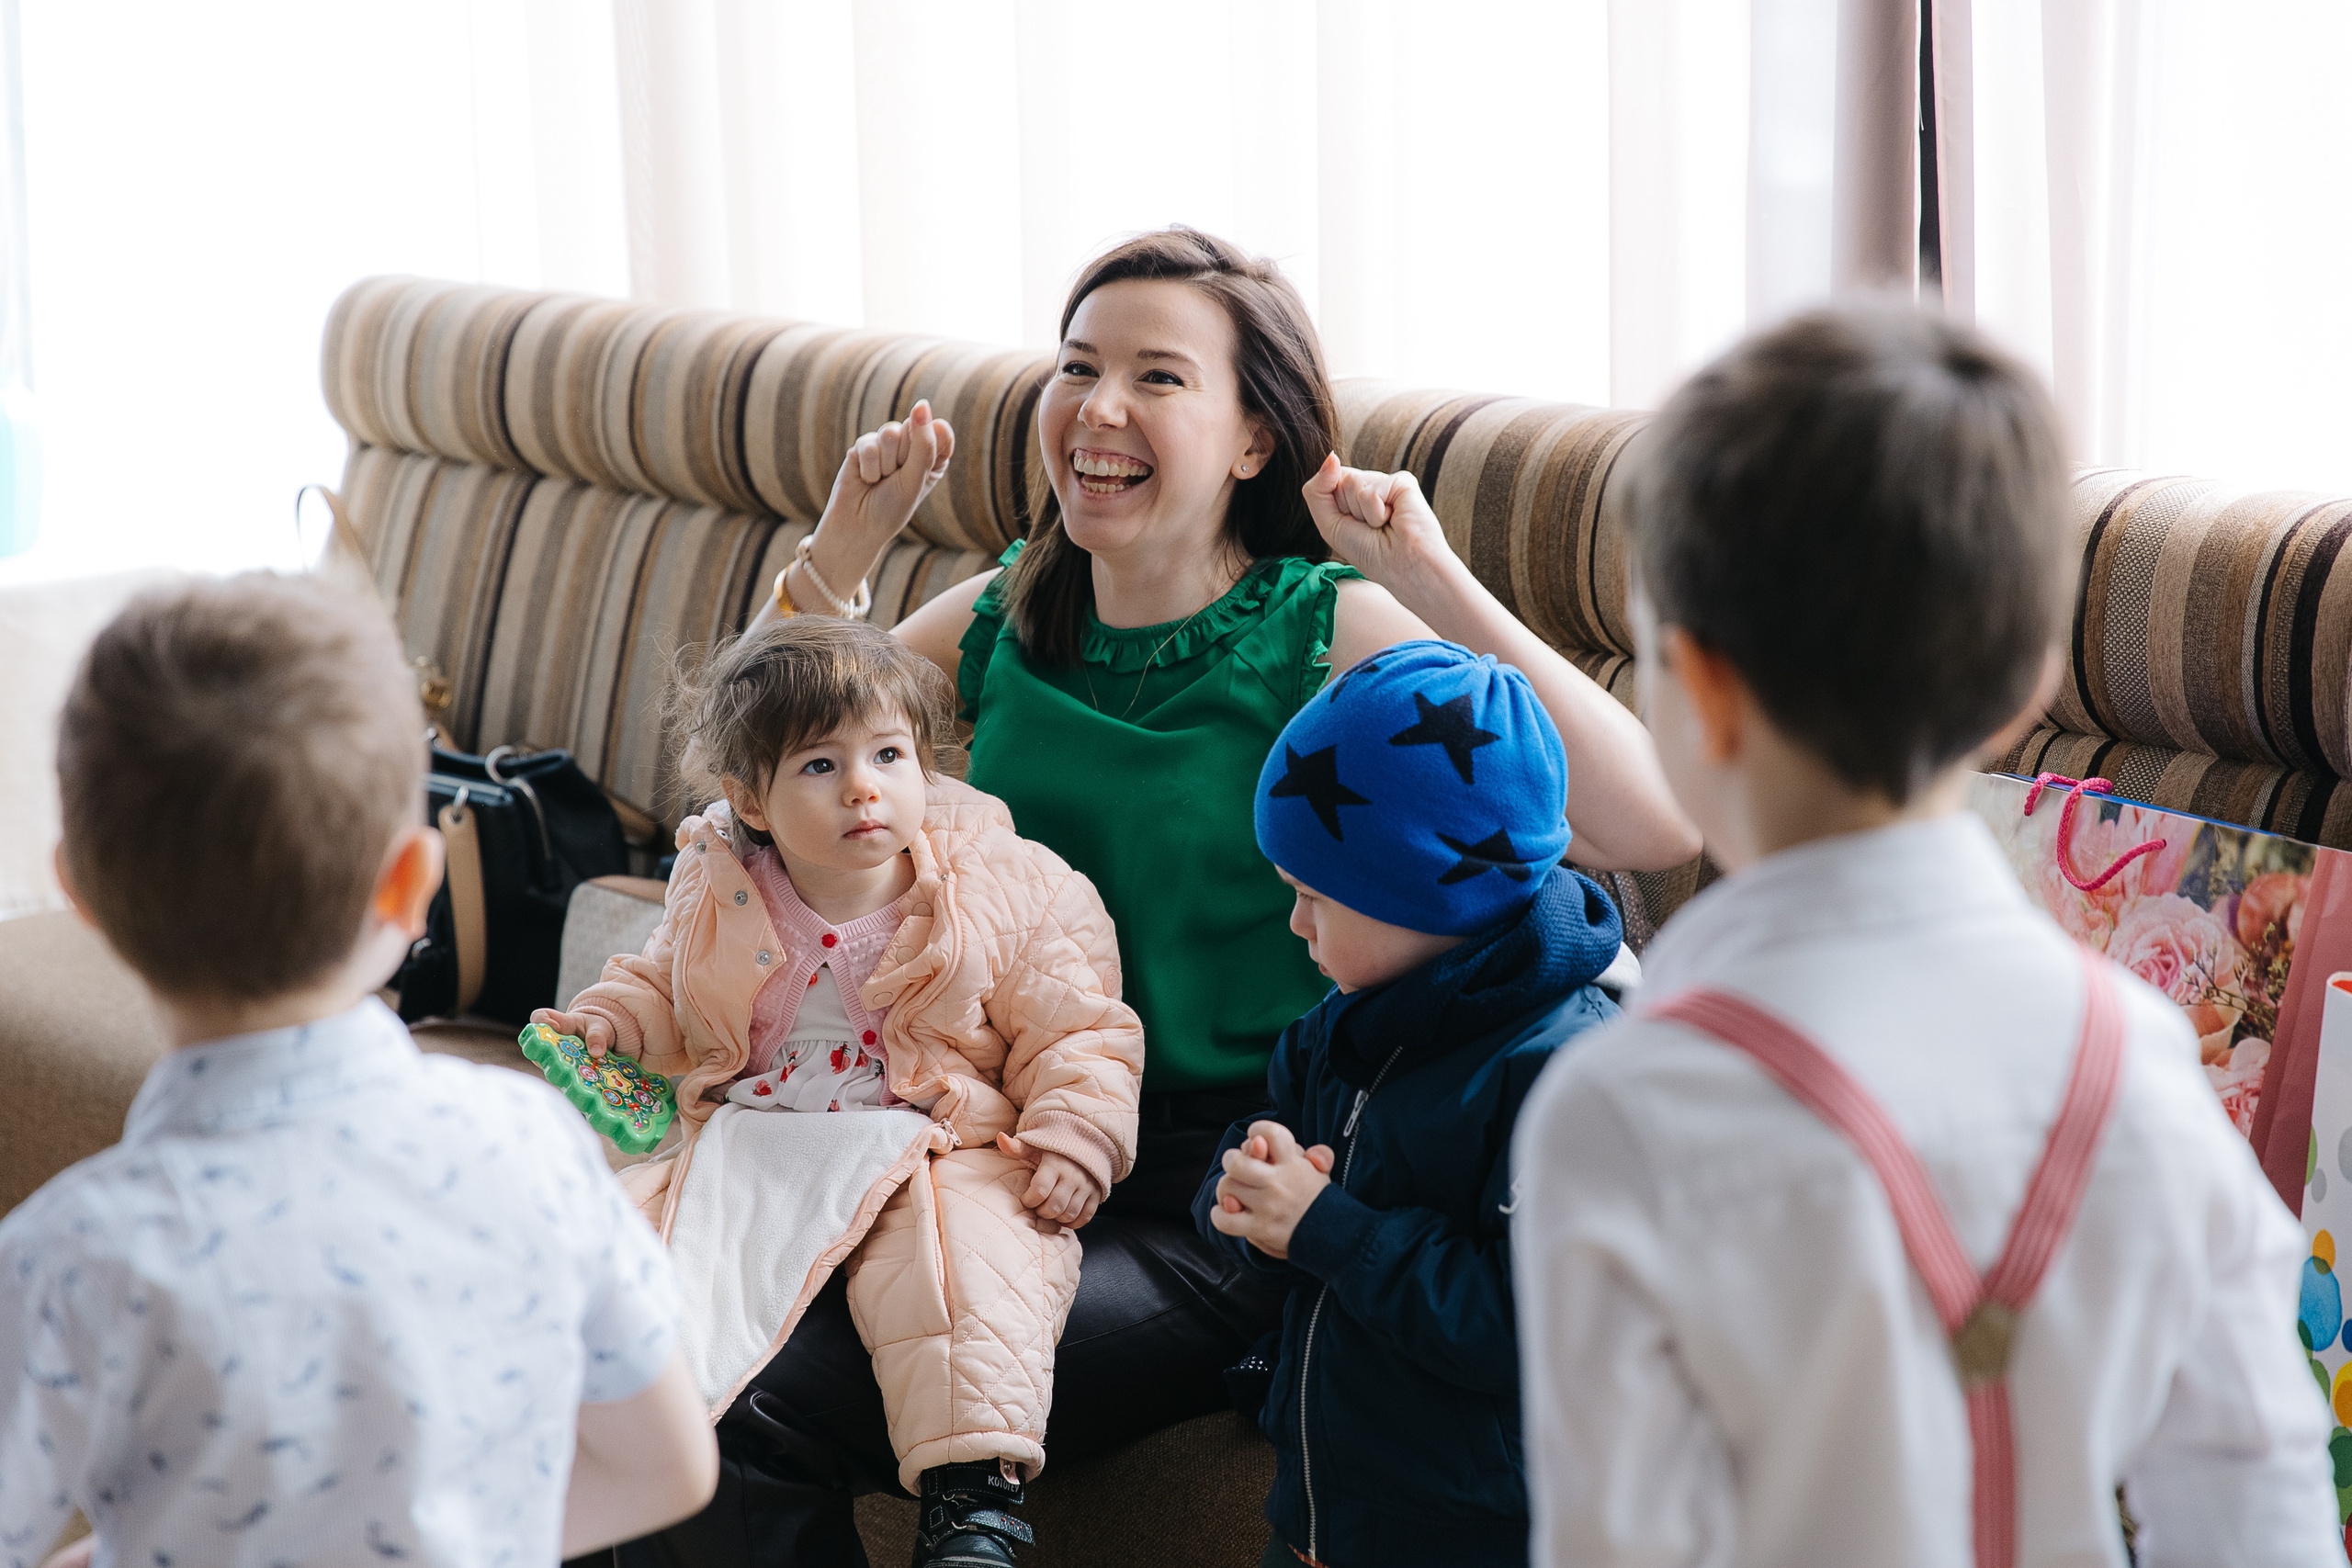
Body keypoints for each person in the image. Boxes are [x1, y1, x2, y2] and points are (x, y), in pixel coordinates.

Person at [637, 227, 1699, 1562]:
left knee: (754, 1407)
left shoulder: (1323, 626)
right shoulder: (1005, 613)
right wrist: (844, 550)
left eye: (1159, 375)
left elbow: (1649, 821)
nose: (1099, 406)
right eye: (1077, 364)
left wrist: (1427, 575)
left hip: (1221, 1181)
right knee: (656, 1360)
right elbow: (745, 778)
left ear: (1256, 438)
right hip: (992, 1142)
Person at [1511, 305, 2342, 1565]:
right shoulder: (2147, 1060)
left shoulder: (1623, 1107)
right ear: (2021, 695)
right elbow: (2260, 1498)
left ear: (1701, 691)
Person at [4, 573, 714, 1568]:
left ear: (81, 891)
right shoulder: (537, 1147)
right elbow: (669, 1469)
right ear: (411, 883)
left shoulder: (71, 1261)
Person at [540, 615, 1141, 1568]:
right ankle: (591, 1483)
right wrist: (612, 1022)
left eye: (890, 754)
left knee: (967, 1264)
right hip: (753, 1132)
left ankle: (971, 1494)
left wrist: (1075, 1134)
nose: (864, 786)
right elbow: (668, 985)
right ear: (755, 800)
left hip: (926, 1135)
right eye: (820, 766)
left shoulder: (1007, 887)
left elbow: (1082, 1027)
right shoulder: (721, 880)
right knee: (614, 1264)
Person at [1195, 640, 1626, 1568]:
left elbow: (1524, 1330)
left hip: (1473, 1529)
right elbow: (1274, 1221)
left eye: (1316, 896)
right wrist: (1244, 1192)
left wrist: (1324, 1228)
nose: (1295, 925)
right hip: (1321, 1503)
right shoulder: (1340, 1023)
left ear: (1433, 897)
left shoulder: (1564, 1074)